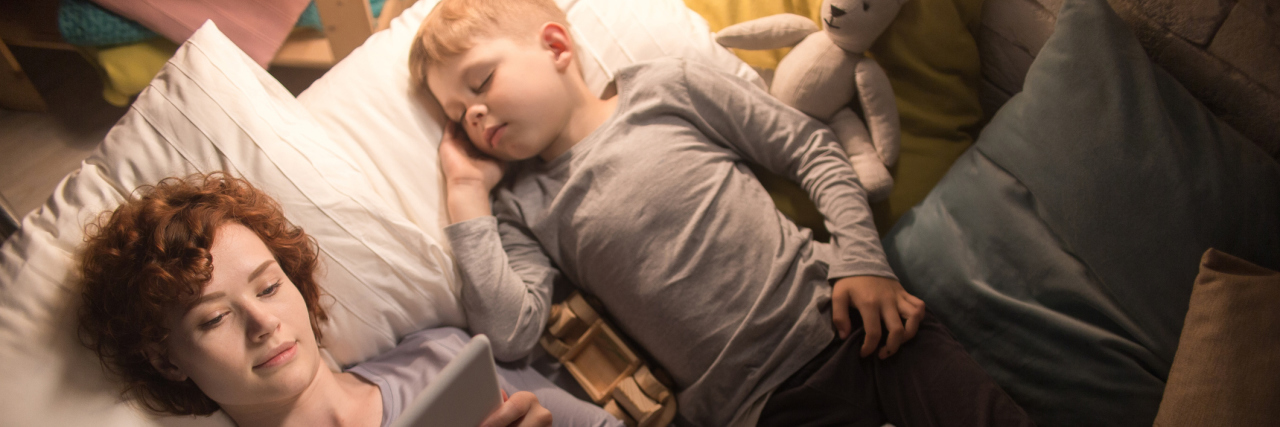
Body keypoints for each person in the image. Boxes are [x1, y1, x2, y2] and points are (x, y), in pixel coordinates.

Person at [410, 0, 1035, 426]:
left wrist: (863, 259)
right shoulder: (522, 208)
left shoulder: (664, 88)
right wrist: (466, 195)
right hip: (756, 409)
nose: (474, 115)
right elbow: (513, 331)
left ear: (554, 45)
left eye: (481, 81)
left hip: (846, 325)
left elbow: (810, 147)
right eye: (456, 113)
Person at [76, 172, 622, 427]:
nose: (264, 321)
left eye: (268, 287)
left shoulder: (440, 359)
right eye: (215, 316)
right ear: (166, 359)